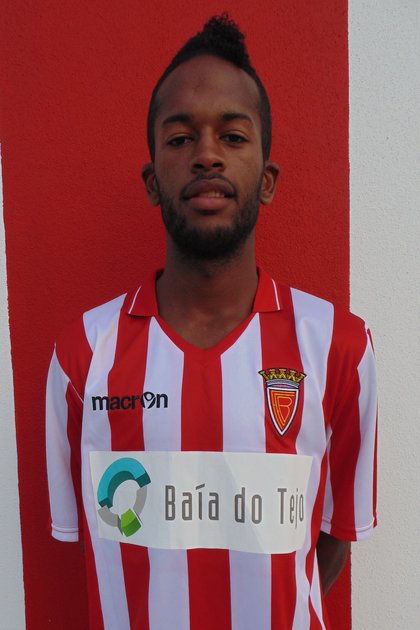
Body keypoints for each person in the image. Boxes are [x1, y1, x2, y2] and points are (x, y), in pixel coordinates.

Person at [46, 14, 377, 630]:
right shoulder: (82, 356)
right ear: (152, 181)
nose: (206, 154)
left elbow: (330, 540)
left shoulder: (340, 347)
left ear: (267, 180)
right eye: (179, 138)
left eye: (232, 135)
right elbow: (92, 544)